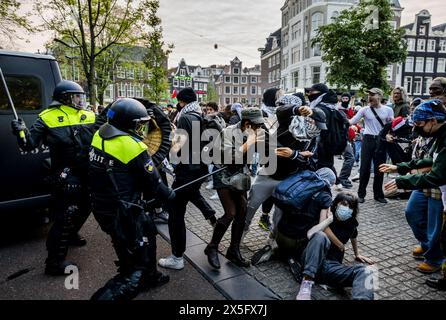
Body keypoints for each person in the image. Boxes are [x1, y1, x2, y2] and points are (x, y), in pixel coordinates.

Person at [88, 98, 174, 300]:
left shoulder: (99, 135)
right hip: (125, 212)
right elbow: (154, 184)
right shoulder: (133, 146)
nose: (141, 127)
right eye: (139, 123)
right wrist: (170, 195)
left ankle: (151, 276)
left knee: (145, 233)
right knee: (135, 270)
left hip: (103, 207)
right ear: (129, 123)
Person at [11, 80, 96, 275]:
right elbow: (28, 145)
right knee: (65, 215)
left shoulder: (89, 114)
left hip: (87, 172)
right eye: (76, 96)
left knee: (87, 206)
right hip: (65, 174)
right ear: (65, 98)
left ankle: (72, 234)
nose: (80, 100)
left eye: (81, 96)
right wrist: (20, 131)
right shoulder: (47, 118)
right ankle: (54, 262)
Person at [380, 99, 446, 274]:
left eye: (419, 124)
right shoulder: (437, 134)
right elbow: (431, 159)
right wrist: (400, 167)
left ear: (433, 121)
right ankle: (427, 246)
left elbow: (437, 174)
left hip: (438, 186)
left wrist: (402, 181)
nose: (417, 128)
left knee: (436, 224)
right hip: (425, 181)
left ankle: (435, 258)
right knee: (413, 213)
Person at [244, 95, 323, 240]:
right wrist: (297, 109)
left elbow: (311, 162)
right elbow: (281, 110)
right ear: (307, 119)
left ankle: (273, 242)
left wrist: (295, 155)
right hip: (268, 174)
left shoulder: (313, 140)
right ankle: (240, 236)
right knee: (250, 207)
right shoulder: (289, 124)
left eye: (320, 127)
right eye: (315, 124)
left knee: (279, 215)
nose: (317, 129)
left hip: (288, 180)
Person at [204, 107, 267, 269]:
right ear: (247, 123)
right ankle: (212, 247)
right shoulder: (228, 132)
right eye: (257, 125)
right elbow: (230, 157)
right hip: (223, 173)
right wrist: (250, 143)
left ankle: (233, 249)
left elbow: (266, 151)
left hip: (240, 174)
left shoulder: (254, 133)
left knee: (243, 210)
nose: (259, 128)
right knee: (230, 212)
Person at [158, 88, 214, 270]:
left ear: (182, 101)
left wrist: (169, 150)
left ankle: (177, 257)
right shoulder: (199, 114)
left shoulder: (185, 117)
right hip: (200, 169)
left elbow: (178, 146)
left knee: (175, 212)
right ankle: (211, 215)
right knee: (191, 193)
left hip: (186, 170)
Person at [296, 192, 374, 300]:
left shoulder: (351, 223)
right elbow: (310, 234)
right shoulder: (327, 215)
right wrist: (329, 220)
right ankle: (306, 282)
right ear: (336, 204)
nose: (346, 208)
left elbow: (354, 236)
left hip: (330, 267)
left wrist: (357, 253)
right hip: (311, 261)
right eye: (343, 204)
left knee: (366, 271)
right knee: (320, 236)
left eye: (350, 206)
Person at [349, 88, 394, 204]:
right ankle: (361, 194)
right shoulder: (365, 110)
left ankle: (378, 195)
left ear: (379, 96)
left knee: (380, 168)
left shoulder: (388, 110)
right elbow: (352, 121)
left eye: (372, 95)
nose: (369, 97)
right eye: (368, 95)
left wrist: (389, 135)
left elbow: (391, 126)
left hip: (381, 140)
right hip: (368, 139)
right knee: (364, 167)